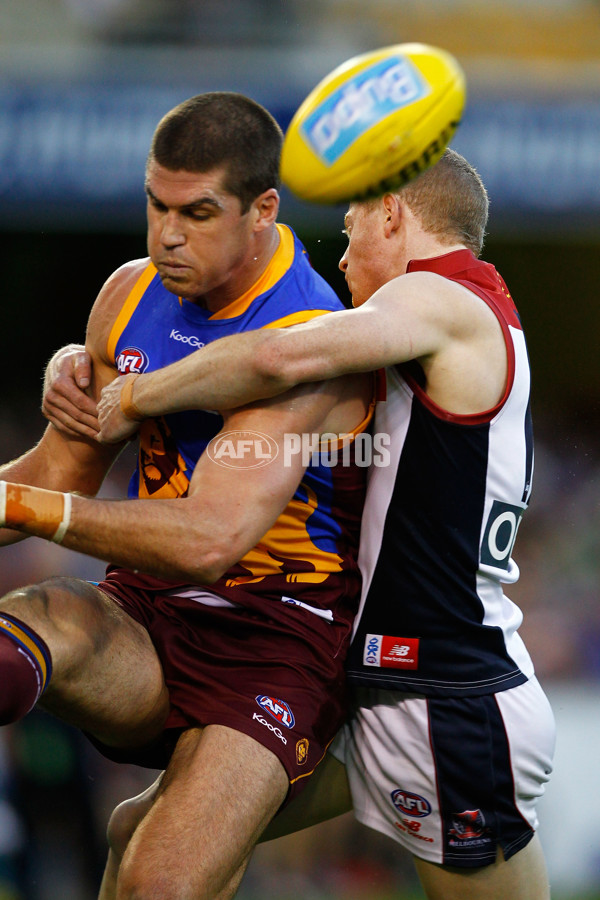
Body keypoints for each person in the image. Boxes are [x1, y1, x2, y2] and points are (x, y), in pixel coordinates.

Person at [44, 148, 556, 900]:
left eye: (351, 228)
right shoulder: (439, 320)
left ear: (394, 215)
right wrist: (77, 356)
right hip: (381, 685)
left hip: (443, 696)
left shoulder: (441, 298)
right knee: (146, 839)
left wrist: (136, 394)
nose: (342, 255)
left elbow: (284, 352)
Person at [0, 91, 375, 900]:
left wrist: (32, 513)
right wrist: (22, 497)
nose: (167, 235)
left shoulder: (311, 336)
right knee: (32, 624)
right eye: (156, 205)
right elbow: (56, 475)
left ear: (263, 210)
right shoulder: (129, 295)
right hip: (150, 607)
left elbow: (211, 539)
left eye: (198, 212)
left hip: (279, 633)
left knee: (158, 877)